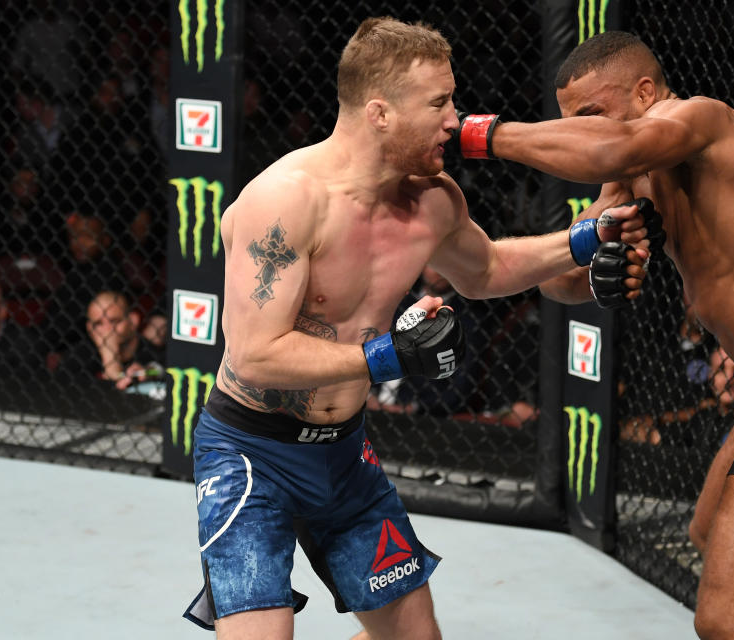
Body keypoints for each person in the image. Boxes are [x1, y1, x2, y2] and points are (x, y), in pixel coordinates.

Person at [182, 17, 645, 640]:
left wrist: (587, 238)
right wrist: (387, 356)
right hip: (250, 454)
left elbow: (487, 270)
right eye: (439, 103)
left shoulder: (433, 199)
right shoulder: (285, 202)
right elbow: (257, 355)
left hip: (343, 452)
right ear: (379, 113)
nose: (456, 120)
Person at [455, 31, 734, 639]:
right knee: (713, 540)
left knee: (724, 617)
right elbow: (559, 281)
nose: (579, 132)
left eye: (589, 116)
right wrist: (599, 275)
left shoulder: (703, 121)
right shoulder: (631, 177)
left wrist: (479, 133)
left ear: (645, 91)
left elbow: (612, 147)